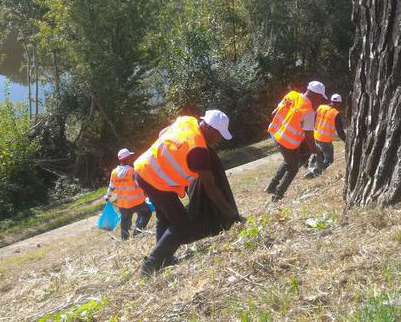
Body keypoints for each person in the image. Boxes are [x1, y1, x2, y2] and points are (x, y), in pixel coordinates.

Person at [134, 110, 242, 275]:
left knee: (164, 216)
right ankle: (150, 265)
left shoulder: (187, 121)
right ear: (209, 129)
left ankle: (165, 258)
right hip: (155, 180)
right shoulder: (199, 150)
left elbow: (162, 133)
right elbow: (211, 188)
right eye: (219, 135)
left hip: (144, 169)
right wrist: (232, 215)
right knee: (183, 225)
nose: (218, 140)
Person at [265, 81, 327, 202]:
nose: (319, 101)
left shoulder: (292, 95)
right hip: (287, 142)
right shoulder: (308, 111)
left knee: (289, 161)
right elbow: (309, 137)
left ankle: (271, 186)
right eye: (320, 98)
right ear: (315, 95)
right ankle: (277, 196)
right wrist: (316, 151)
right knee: (292, 168)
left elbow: (274, 113)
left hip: (276, 134)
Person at [105, 148, 152, 240]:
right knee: (146, 213)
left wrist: (108, 197)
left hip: (122, 203)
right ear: (128, 158)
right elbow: (140, 184)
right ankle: (137, 233)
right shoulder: (133, 171)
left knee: (125, 221)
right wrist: (147, 193)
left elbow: (111, 187)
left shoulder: (114, 172)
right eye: (130, 157)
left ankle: (124, 239)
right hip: (136, 202)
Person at [305, 93, 346, 178]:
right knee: (329, 159)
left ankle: (311, 168)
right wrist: (346, 141)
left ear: (331, 101)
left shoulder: (321, 107)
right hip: (326, 140)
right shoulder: (336, 113)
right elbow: (340, 131)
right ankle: (316, 172)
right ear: (339, 103)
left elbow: (313, 119)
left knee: (318, 153)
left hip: (316, 135)